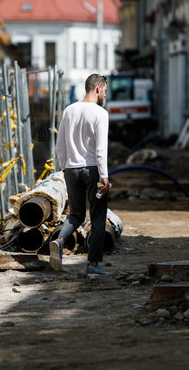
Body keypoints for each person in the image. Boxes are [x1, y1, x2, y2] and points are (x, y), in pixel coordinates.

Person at [51, 73, 110, 275]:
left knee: (75, 213)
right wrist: (105, 176)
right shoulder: (101, 114)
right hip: (93, 169)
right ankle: (93, 264)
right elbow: (101, 150)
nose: (105, 95)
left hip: (72, 169)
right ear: (97, 89)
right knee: (98, 216)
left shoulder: (69, 110)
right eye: (104, 91)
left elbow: (60, 145)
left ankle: (58, 241)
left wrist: (65, 167)